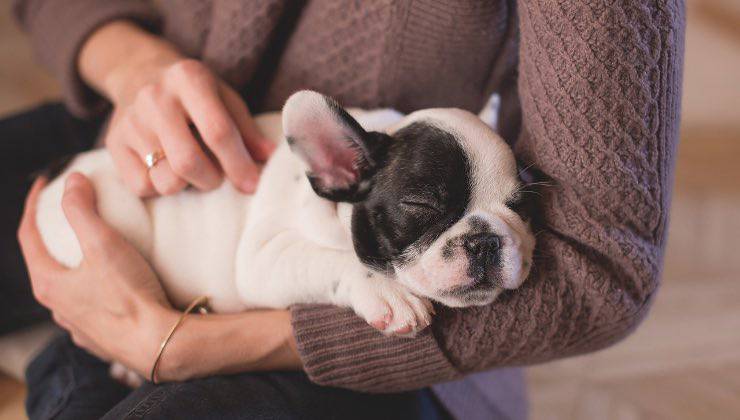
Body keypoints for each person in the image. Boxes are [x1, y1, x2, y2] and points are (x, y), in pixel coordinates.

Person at [3, 1, 684, 419]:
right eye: (428, 212)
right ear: (335, 170)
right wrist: (133, 65)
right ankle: (69, 356)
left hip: (363, 352)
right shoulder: (350, 164)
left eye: (513, 210)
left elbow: (604, 270)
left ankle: (63, 363)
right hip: (145, 153)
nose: (483, 240)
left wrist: (182, 347)